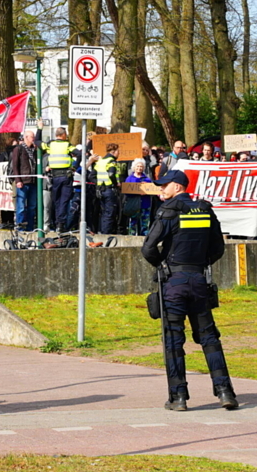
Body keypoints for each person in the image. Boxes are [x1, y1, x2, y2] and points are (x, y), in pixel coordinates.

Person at [140, 170, 238, 411]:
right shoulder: (204, 210)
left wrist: (163, 264)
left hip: (174, 281)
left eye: (164, 185)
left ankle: (179, 397)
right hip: (199, 280)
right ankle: (225, 392)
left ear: (178, 186)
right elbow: (218, 248)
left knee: (173, 340)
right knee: (209, 338)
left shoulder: (169, 211)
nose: (161, 189)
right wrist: (200, 264)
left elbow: (148, 248)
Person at [45, 127, 77, 232]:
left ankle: (57, 223)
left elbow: (37, 142)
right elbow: (80, 153)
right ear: (63, 135)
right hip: (66, 176)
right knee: (64, 201)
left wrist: (40, 128)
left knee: (57, 201)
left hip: (55, 176)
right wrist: (74, 166)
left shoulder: (50, 145)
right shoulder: (67, 145)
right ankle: (60, 224)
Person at [9, 130, 39, 231]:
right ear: (26, 137)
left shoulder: (35, 150)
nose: (33, 139)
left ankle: (30, 227)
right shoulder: (18, 149)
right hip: (23, 181)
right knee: (21, 206)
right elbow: (15, 166)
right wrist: (18, 180)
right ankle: (20, 227)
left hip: (33, 182)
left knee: (32, 206)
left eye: (33, 137)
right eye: (31, 137)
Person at [94, 143, 121, 234]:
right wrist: (116, 183)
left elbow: (91, 175)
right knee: (110, 212)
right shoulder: (111, 161)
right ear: (113, 152)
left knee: (103, 212)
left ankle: (101, 231)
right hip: (109, 189)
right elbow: (111, 174)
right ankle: (106, 233)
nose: (119, 153)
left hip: (100, 190)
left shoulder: (100, 161)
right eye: (118, 151)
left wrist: (98, 184)